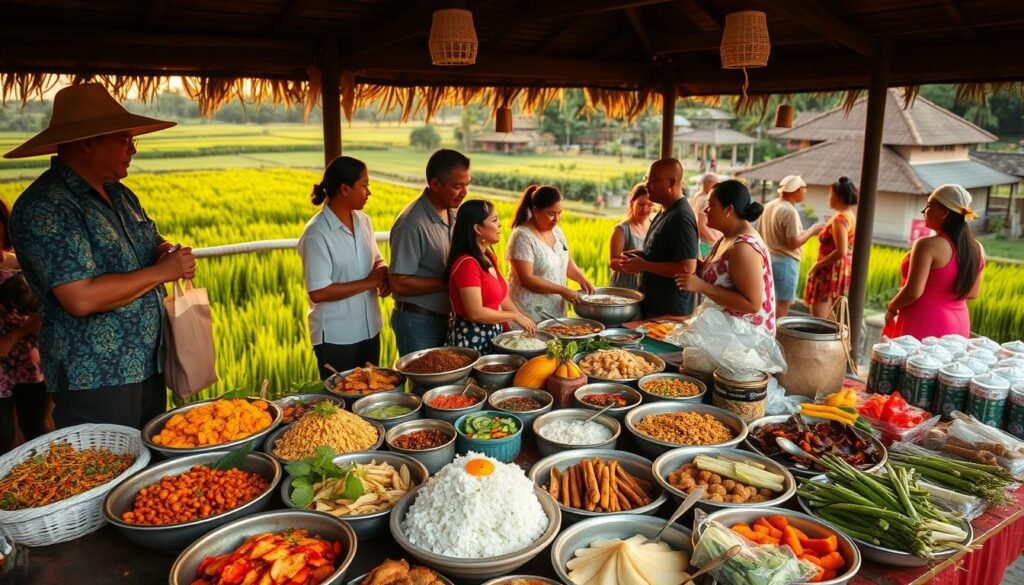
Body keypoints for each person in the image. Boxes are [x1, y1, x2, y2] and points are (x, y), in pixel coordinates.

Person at [4, 83, 195, 429]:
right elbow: (80, 297)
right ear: (88, 142)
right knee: (110, 474)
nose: (132, 150)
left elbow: (150, 240)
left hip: (148, 363)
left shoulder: (120, 194)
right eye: (124, 139)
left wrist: (165, 250)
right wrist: (161, 273)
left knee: (151, 467)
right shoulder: (46, 207)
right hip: (94, 377)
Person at [299, 157, 389, 379]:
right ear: (345, 189)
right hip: (337, 336)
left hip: (370, 328)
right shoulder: (317, 233)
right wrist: (369, 282)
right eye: (365, 185)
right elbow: (319, 292)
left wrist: (384, 274)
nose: (369, 192)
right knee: (341, 404)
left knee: (368, 397)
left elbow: (377, 260)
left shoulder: (363, 221)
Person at [389, 149, 470, 356]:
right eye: (457, 186)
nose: (464, 193)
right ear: (435, 184)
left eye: (467, 185)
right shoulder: (411, 224)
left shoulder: (452, 212)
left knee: (445, 385)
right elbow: (398, 282)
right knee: (423, 385)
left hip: (447, 318)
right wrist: (450, 282)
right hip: (418, 322)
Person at [885, 184, 985, 339]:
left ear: (944, 212)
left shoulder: (926, 245)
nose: (924, 211)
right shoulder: (978, 248)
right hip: (960, 324)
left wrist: (892, 307)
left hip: (926, 321)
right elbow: (972, 293)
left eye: (929, 205)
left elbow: (913, 292)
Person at [676, 180, 776, 334]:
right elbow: (722, 276)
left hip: (743, 343)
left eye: (711, 205)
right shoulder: (728, 237)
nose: (705, 211)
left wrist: (701, 286)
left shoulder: (744, 247)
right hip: (723, 334)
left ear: (729, 209)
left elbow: (752, 304)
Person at [445, 200, 536, 352]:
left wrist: (521, 318)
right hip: (471, 341)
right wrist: (513, 316)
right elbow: (475, 312)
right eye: (494, 220)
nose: (499, 224)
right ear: (478, 229)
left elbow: (502, 296)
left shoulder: (488, 257)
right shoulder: (467, 264)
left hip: (493, 335)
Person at [618, 159, 699, 317]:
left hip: (669, 311)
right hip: (654, 304)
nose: (647, 185)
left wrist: (644, 265)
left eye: (653, 180)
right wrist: (641, 255)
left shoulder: (680, 216)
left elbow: (687, 268)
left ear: (671, 182)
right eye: (646, 179)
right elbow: (665, 254)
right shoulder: (664, 211)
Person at [507, 185, 595, 323]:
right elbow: (527, 278)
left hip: (555, 311)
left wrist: (581, 278)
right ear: (535, 210)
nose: (556, 219)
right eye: (551, 213)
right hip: (528, 314)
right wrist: (562, 290)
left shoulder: (557, 231)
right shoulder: (522, 236)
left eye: (560, 213)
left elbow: (564, 259)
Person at [0, 199, 47, 453]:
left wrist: (13, 336)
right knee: (3, 434)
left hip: (28, 357)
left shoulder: (20, 265)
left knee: (36, 427)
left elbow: (49, 310)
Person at [759, 175, 823, 318]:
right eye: (804, 189)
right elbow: (793, 243)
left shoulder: (770, 205)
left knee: (767, 303)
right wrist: (812, 230)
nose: (805, 192)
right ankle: (774, 339)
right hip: (785, 264)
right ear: (796, 190)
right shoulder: (789, 211)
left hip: (768, 260)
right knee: (782, 305)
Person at [805, 176, 858, 318]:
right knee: (831, 316)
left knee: (820, 317)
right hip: (839, 269)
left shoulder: (840, 219)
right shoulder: (849, 215)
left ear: (838, 196)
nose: (828, 197)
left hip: (829, 270)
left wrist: (817, 265)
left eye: (830, 193)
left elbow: (840, 251)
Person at [608, 183, 655, 290]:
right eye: (641, 204)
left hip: (647, 288)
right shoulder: (621, 230)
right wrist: (630, 264)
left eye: (650, 205)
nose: (645, 209)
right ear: (631, 203)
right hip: (624, 287)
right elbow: (612, 262)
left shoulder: (655, 227)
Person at [690, 173, 722, 258]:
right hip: (707, 243)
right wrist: (715, 241)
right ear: (707, 183)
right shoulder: (705, 200)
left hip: (702, 241)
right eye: (716, 183)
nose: (718, 186)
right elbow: (701, 225)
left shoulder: (697, 196)